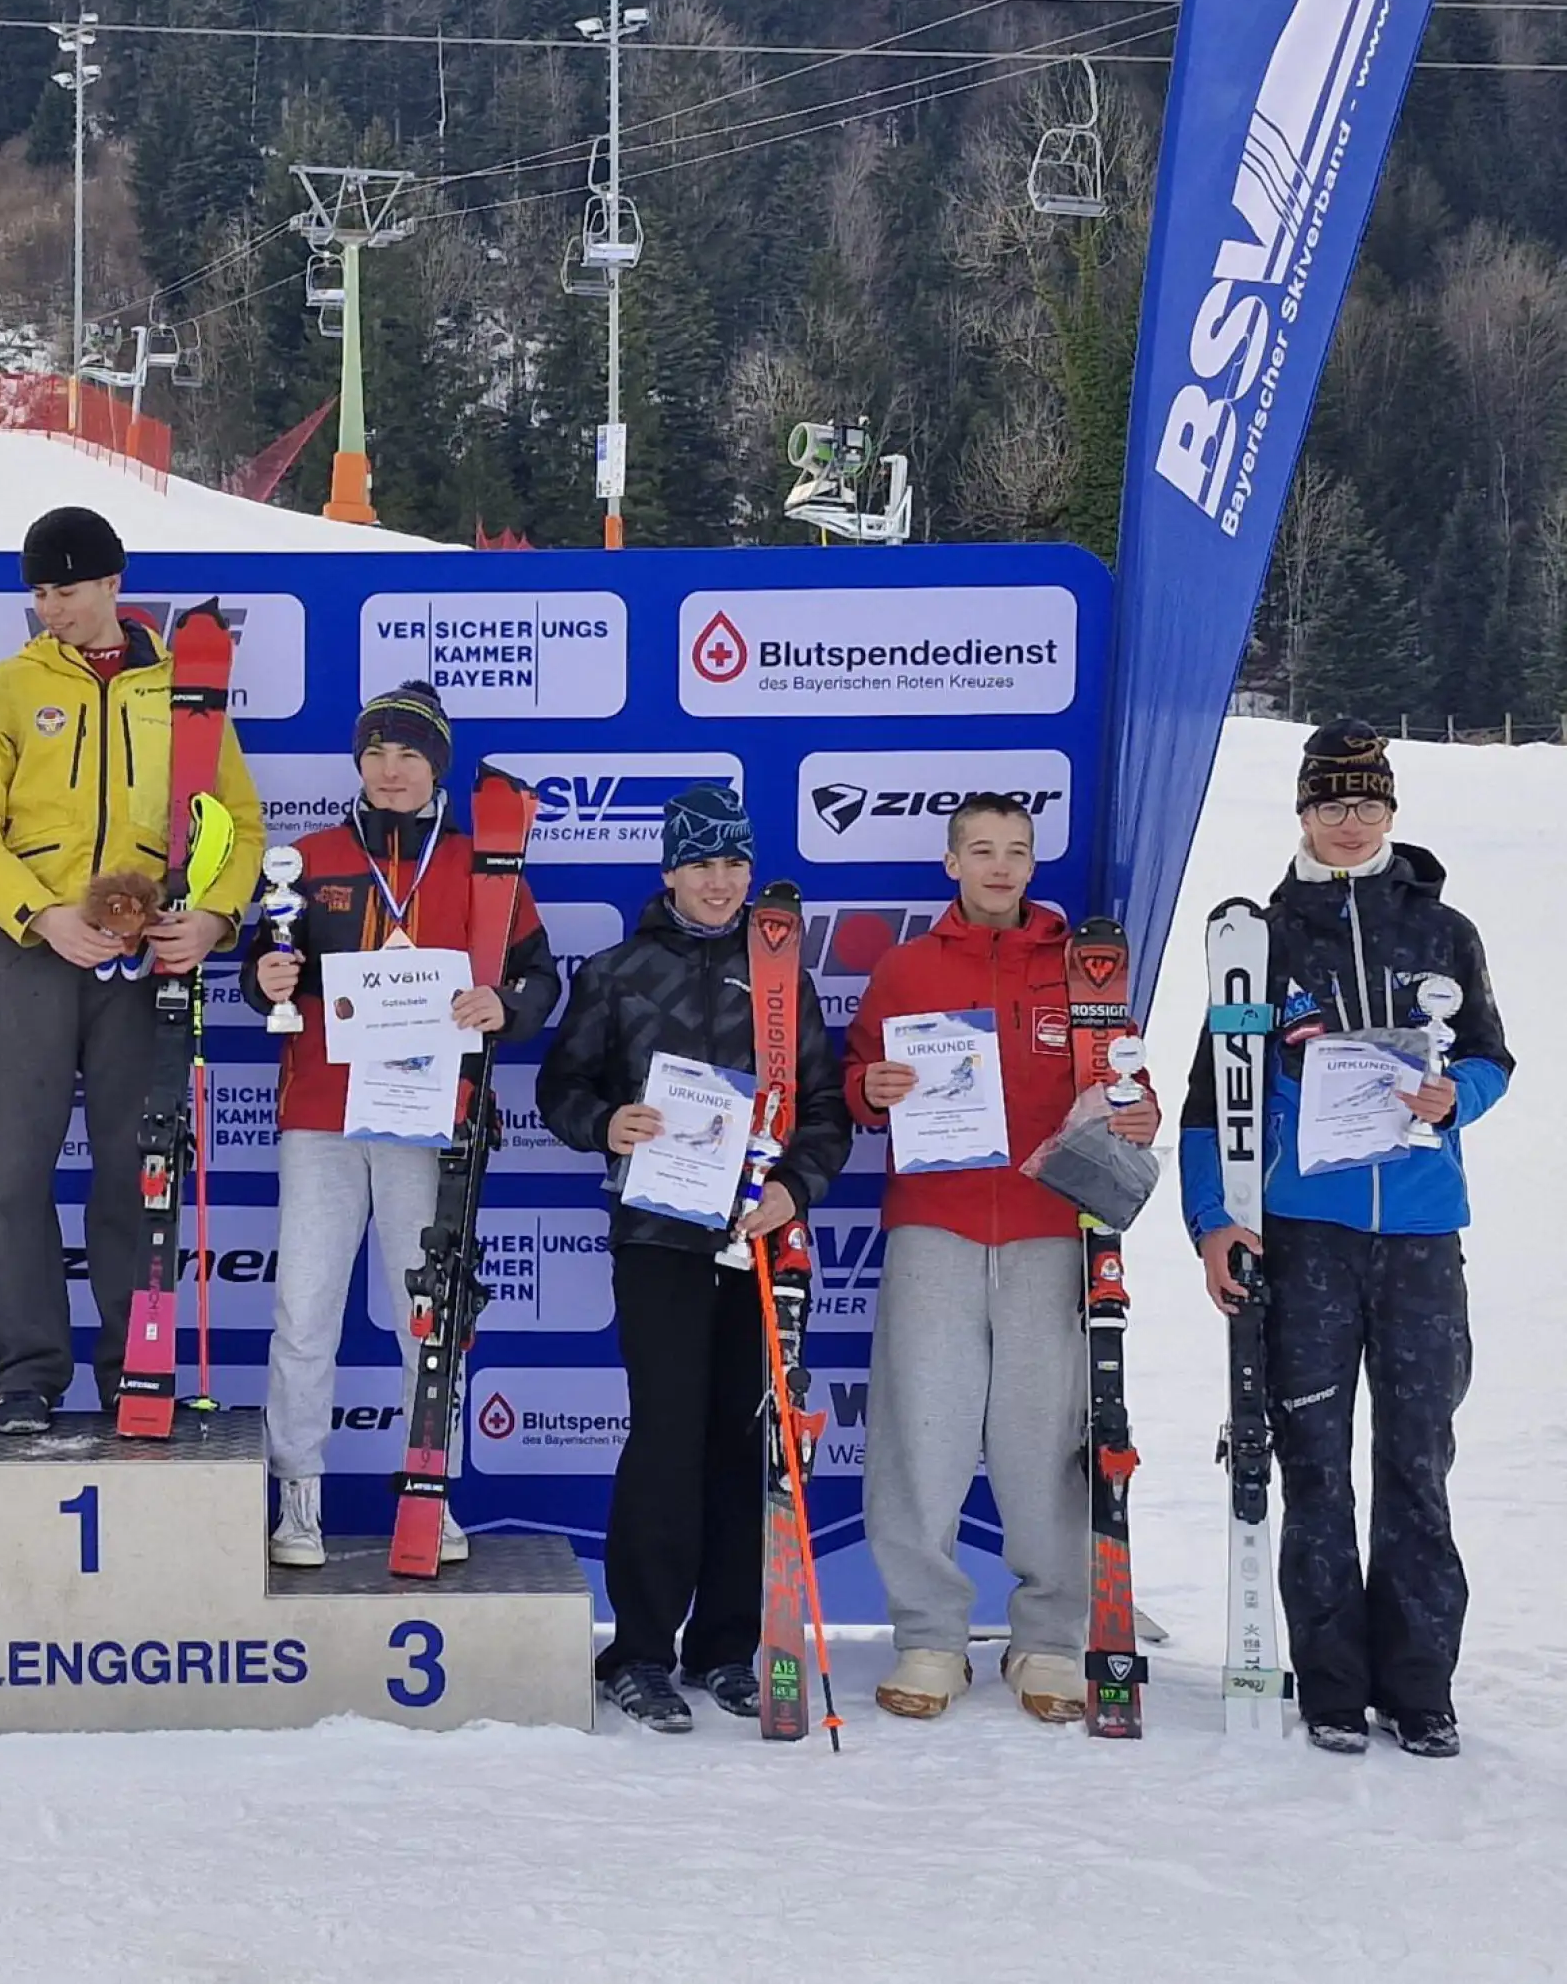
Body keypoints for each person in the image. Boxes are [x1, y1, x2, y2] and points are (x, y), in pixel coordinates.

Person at [1177, 720, 1511, 1759]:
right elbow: (1206, 1102)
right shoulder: (1264, 934)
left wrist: (1460, 1096)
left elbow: (1495, 1058)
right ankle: (1330, 1682)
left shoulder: (1443, 929)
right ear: (1304, 814)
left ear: (1392, 812)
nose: (1351, 821)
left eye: (1367, 803)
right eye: (1332, 804)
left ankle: (1420, 1686)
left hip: (1418, 1233)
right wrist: (1212, 1222)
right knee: (1314, 1461)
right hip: (1305, 1234)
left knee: (1418, 1459)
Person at [841, 794, 1163, 1725]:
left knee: (1041, 1442)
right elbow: (857, 1085)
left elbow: (1126, 1087)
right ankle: (931, 1634)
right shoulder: (906, 968)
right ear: (951, 863)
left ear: (1032, 864)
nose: (998, 865)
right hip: (935, 1224)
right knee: (923, 1434)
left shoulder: (1082, 968)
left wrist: (1135, 1114)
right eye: (980, 850)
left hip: (1049, 1231)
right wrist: (873, 1084)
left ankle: (1050, 1638)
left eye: (1015, 851)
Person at [0, 507, 264, 1435]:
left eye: (67, 590)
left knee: (136, 1167)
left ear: (114, 583)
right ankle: (27, 1373)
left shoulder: (185, 690)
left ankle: (137, 1361)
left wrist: (212, 915)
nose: (51, 609)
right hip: (31, 949)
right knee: (13, 1173)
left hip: (147, 947)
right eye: (38, 592)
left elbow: (236, 825)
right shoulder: (7, 689)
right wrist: (39, 913)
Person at [536, 785, 848, 1731]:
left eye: (734, 864)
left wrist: (796, 1189)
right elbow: (562, 1086)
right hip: (660, 1237)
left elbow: (828, 1110)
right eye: (703, 863)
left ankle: (726, 1646)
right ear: (670, 870)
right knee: (666, 1440)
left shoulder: (782, 975)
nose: (720, 881)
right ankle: (639, 1650)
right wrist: (608, 1123)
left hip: (758, 1242)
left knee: (739, 1445)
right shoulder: (619, 971)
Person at [244, 683, 563, 1565]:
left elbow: (540, 981)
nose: (391, 771)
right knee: (303, 1306)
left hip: (432, 1117)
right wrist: (264, 981)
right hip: (323, 1111)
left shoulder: (483, 866)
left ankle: (430, 1487)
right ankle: (296, 1495)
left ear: (437, 770)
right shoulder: (308, 860)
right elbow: (261, 964)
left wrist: (503, 1002)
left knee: (426, 1310)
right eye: (377, 753)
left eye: (410, 756)